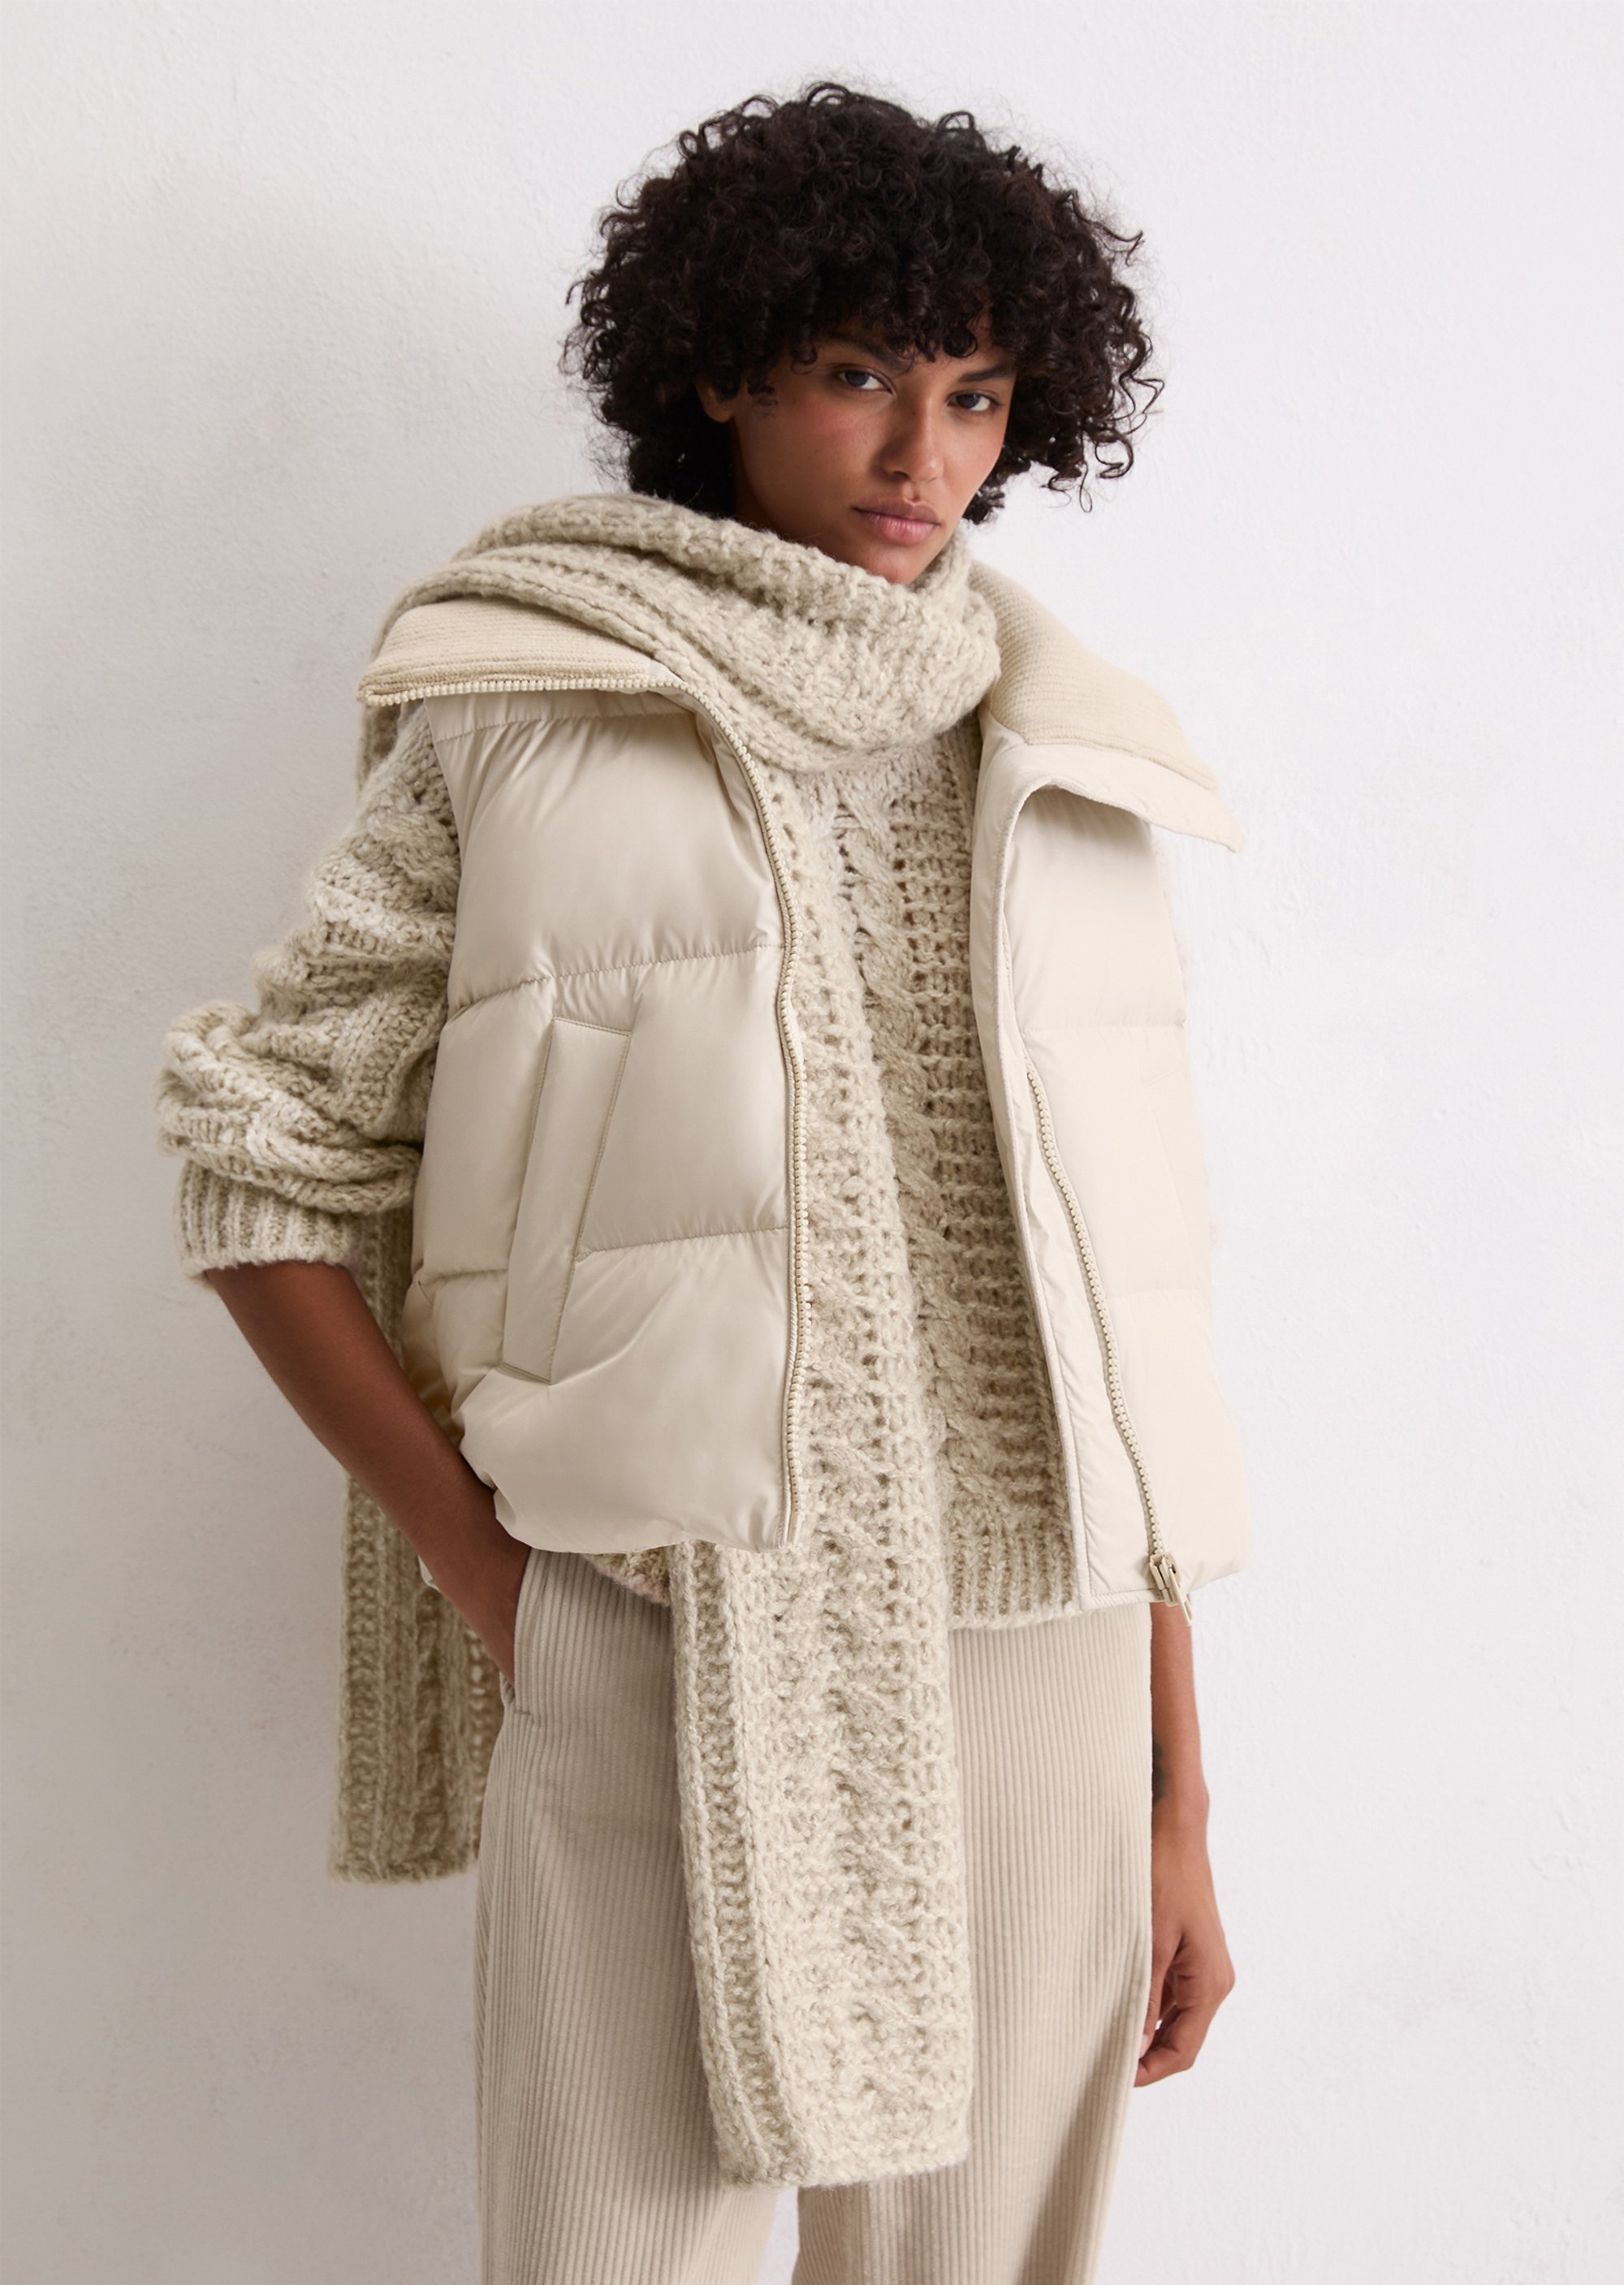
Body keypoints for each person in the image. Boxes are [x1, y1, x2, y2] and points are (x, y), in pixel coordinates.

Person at [154, 81, 1245, 2285]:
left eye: (976, 395)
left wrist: (1176, 1797)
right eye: (859, 377)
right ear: (725, 371)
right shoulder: (523, 705)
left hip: (1044, 1656)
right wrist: (498, 1579)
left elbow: (1103, 1312)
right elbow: (262, 1162)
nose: (923, 457)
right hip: (671, 1626)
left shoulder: (1063, 752)